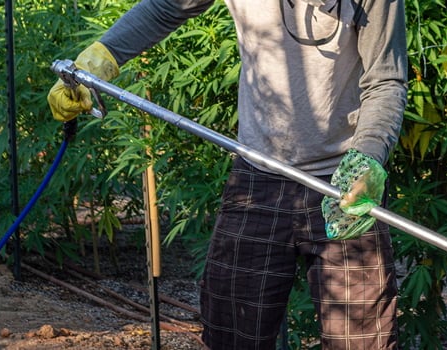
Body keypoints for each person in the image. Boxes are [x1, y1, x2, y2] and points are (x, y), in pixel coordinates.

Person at [47, 0, 407, 349]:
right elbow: (166, 7)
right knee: (231, 330)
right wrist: (100, 59)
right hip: (258, 174)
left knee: (363, 340)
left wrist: (368, 157)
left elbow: (385, 80)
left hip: (346, 185)